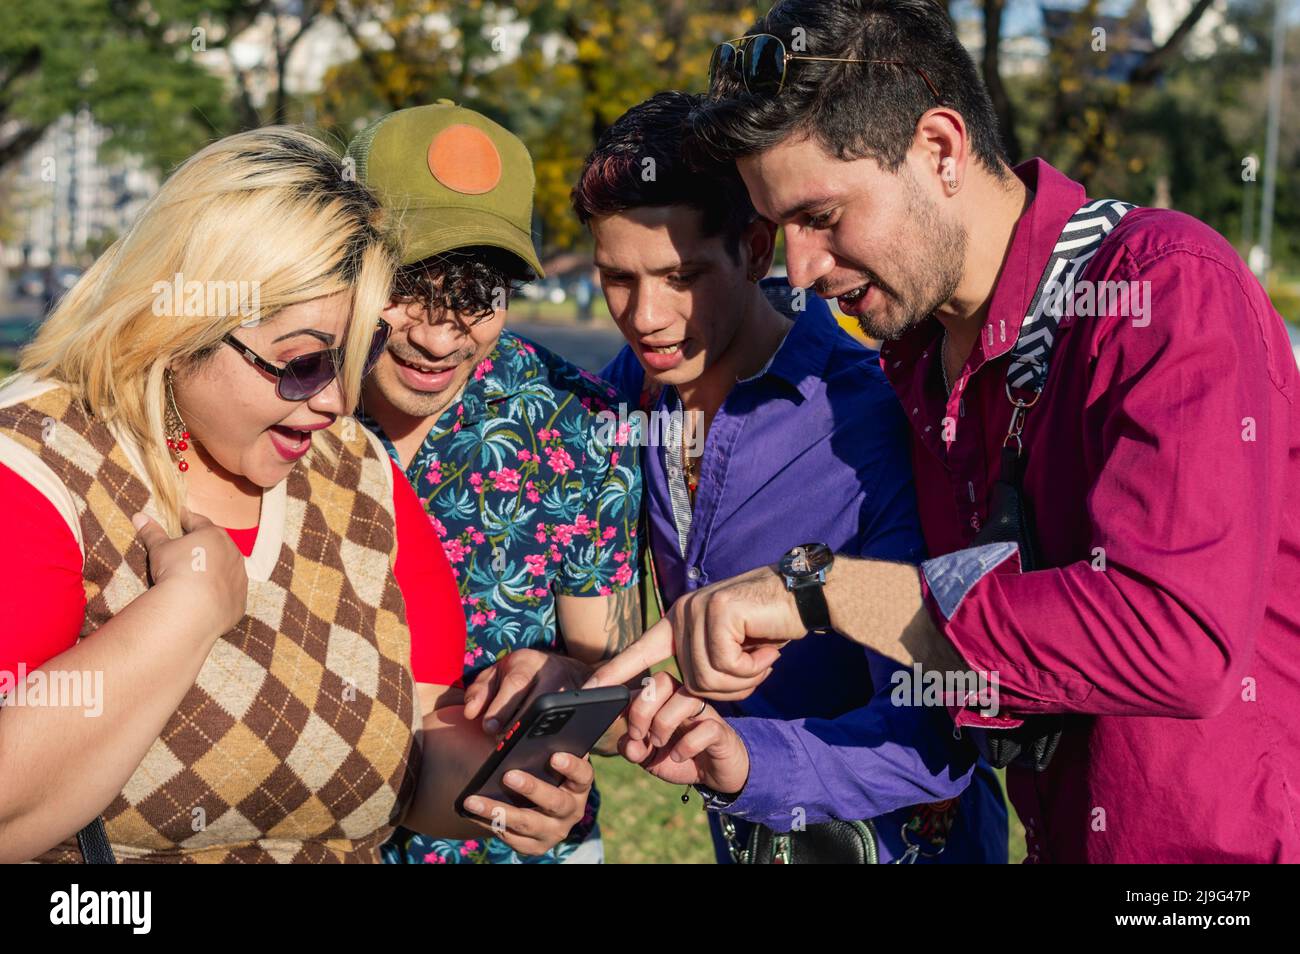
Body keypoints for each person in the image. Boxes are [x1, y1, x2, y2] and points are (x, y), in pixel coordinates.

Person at [591, 0, 1300, 864]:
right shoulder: (920, 364)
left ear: (939, 148)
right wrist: (743, 757)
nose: (803, 271)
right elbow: (959, 680)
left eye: (820, 217)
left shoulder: (1163, 291)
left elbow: (1177, 639)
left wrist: (820, 593)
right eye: (785, 229)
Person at [0, 127, 593, 863]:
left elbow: (417, 751)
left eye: (356, 355)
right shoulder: (38, 470)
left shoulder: (359, 473)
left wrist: (503, 795)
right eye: (304, 361)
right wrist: (183, 615)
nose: (339, 402)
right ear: (186, 323)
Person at [574, 90, 1006, 863]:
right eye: (617, 278)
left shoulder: (871, 417)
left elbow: (934, 721)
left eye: (680, 276)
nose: (645, 317)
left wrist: (750, 762)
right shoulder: (623, 395)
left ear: (754, 249)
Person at [347, 103, 643, 864]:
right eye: (409, 284)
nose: (440, 337)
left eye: (477, 294)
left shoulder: (580, 426)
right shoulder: (286, 404)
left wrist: (565, 680)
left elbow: (611, 708)